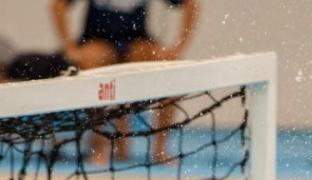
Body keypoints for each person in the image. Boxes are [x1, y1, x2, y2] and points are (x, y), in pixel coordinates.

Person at [50, 0, 201, 162]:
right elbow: (57, 5)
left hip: (136, 42)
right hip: (98, 40)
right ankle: (100, 144)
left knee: (170, 69)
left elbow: (191, 4)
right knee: (92, 61)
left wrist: (179, 47)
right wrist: (69, 48)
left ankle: (160, 147)